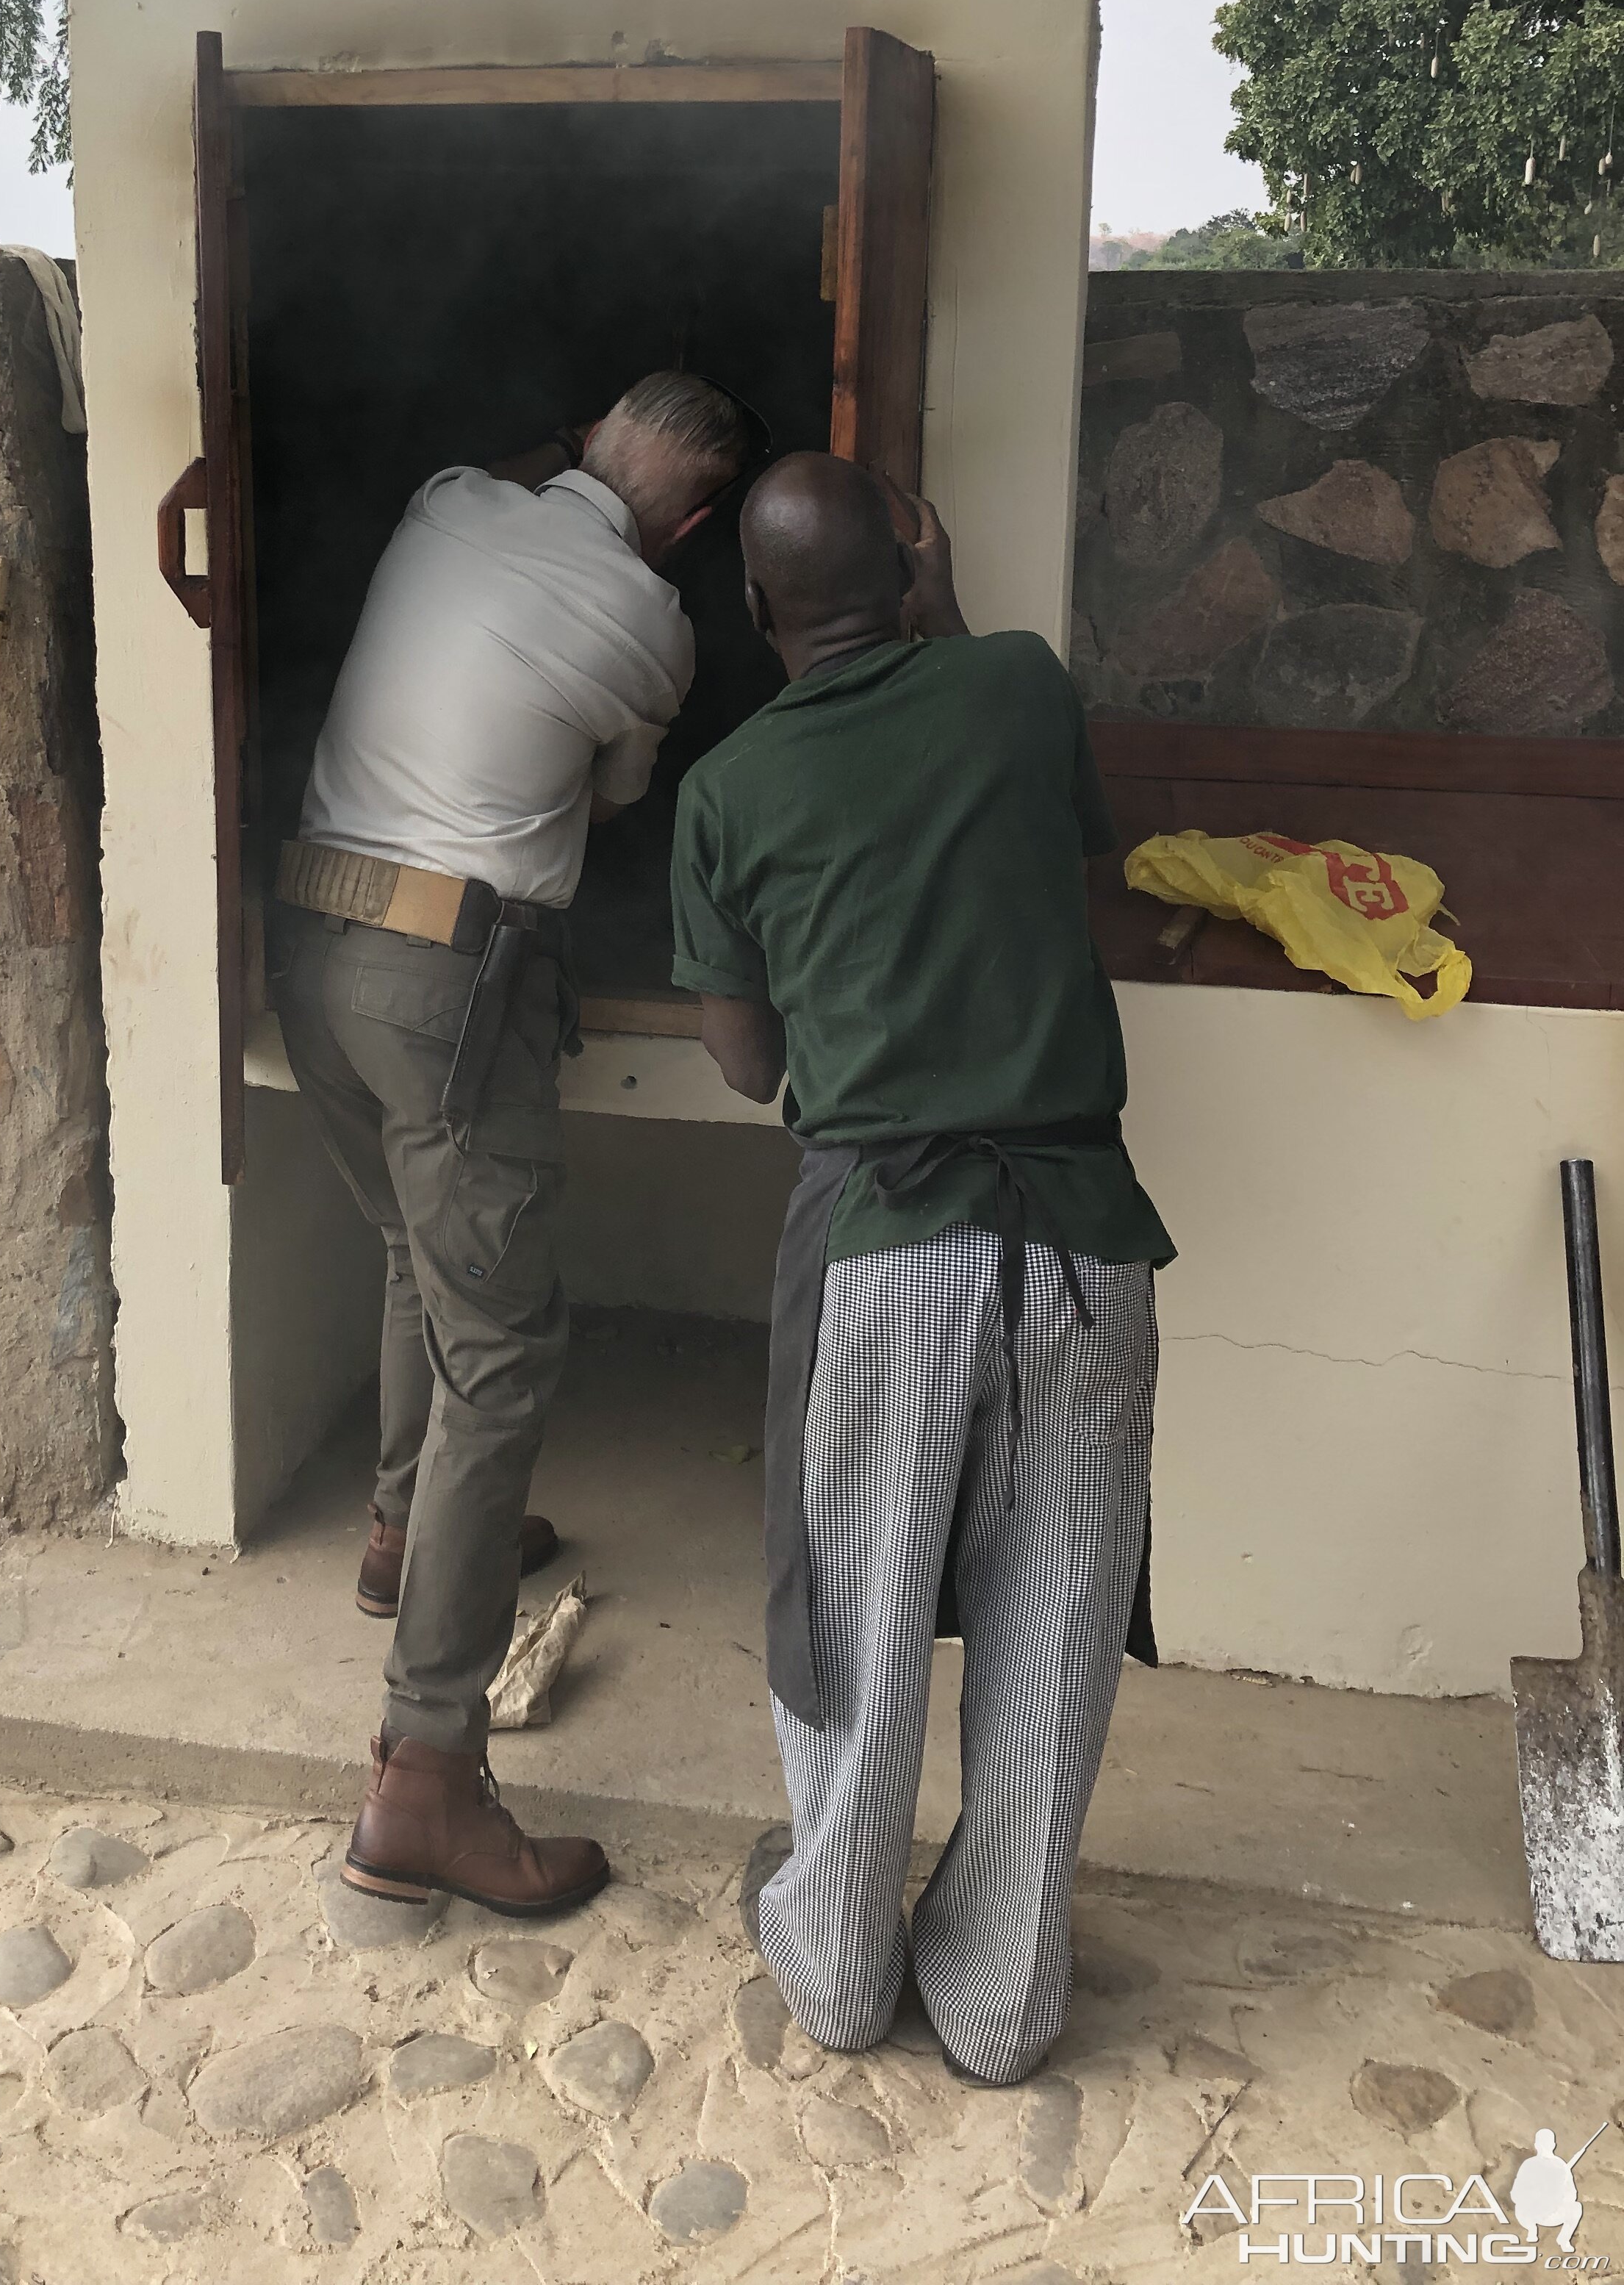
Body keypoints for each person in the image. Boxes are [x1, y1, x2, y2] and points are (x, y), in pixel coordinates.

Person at [672, 452, 1174, 2082]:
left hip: (889, 1247)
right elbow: (1059, 823)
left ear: (753, 614)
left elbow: (748, 1071)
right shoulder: (1017, 688)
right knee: (1056, 1625)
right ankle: (999, 2000)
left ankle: (835, 1960)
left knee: (859, 1612)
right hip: (1087, 1245)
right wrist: (936, 594)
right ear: (909, 568)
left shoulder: (730, 791)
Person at [275, 372, 758, 1918]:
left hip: (314, 944)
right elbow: (614, 795)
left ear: (582, 446)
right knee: (504, 1355)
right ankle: (424, 1780)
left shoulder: (444, 499)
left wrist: (557, 450)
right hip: (444, 984)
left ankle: (398, 1533)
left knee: (419, 1254)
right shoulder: (655, 619)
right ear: (690, 527)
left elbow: (504, 488)